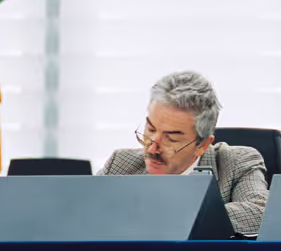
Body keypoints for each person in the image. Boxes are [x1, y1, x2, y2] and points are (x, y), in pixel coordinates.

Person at [97, 71, 269, 235]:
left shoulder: (236, 163)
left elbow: (261, 213)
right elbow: (82, 212)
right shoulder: (120, 163)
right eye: (150, 129)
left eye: (171, 139)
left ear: (202, 145)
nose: (151, 149)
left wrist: (168, 213)